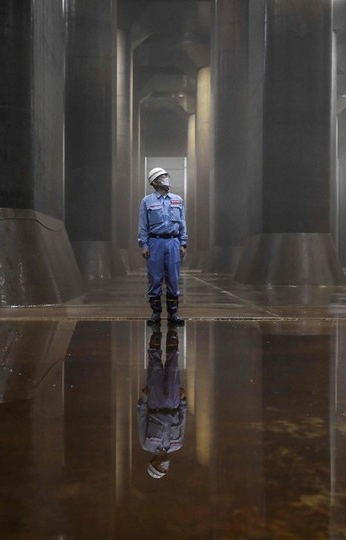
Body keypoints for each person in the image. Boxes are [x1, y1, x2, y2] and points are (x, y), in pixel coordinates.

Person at [138, 167, 188, 326]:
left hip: (173, 242)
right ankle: (156, 313)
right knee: (155, 278)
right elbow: (143, 225)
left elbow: (182, 223)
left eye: (166, 175)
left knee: (173, 278)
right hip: (155, 243)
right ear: (154, 182)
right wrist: (144, 244)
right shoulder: (147, 201)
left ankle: (173, 313)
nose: (167, 178)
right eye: (163, 176)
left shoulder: (177, 200)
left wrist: (183, 242)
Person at [137, 328, 186, 479]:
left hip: (155, 402)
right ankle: (173, 329)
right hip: (173, 403)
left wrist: (144, 400)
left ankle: (155, 329)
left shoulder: (147, 444)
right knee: (173, 364)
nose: (165, 467)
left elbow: (142, 419)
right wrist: (183, 401)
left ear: (154, 463)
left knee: (155, 366)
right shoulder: (177, 444)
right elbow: (183, 421)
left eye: (161, 468)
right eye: (165, 470)